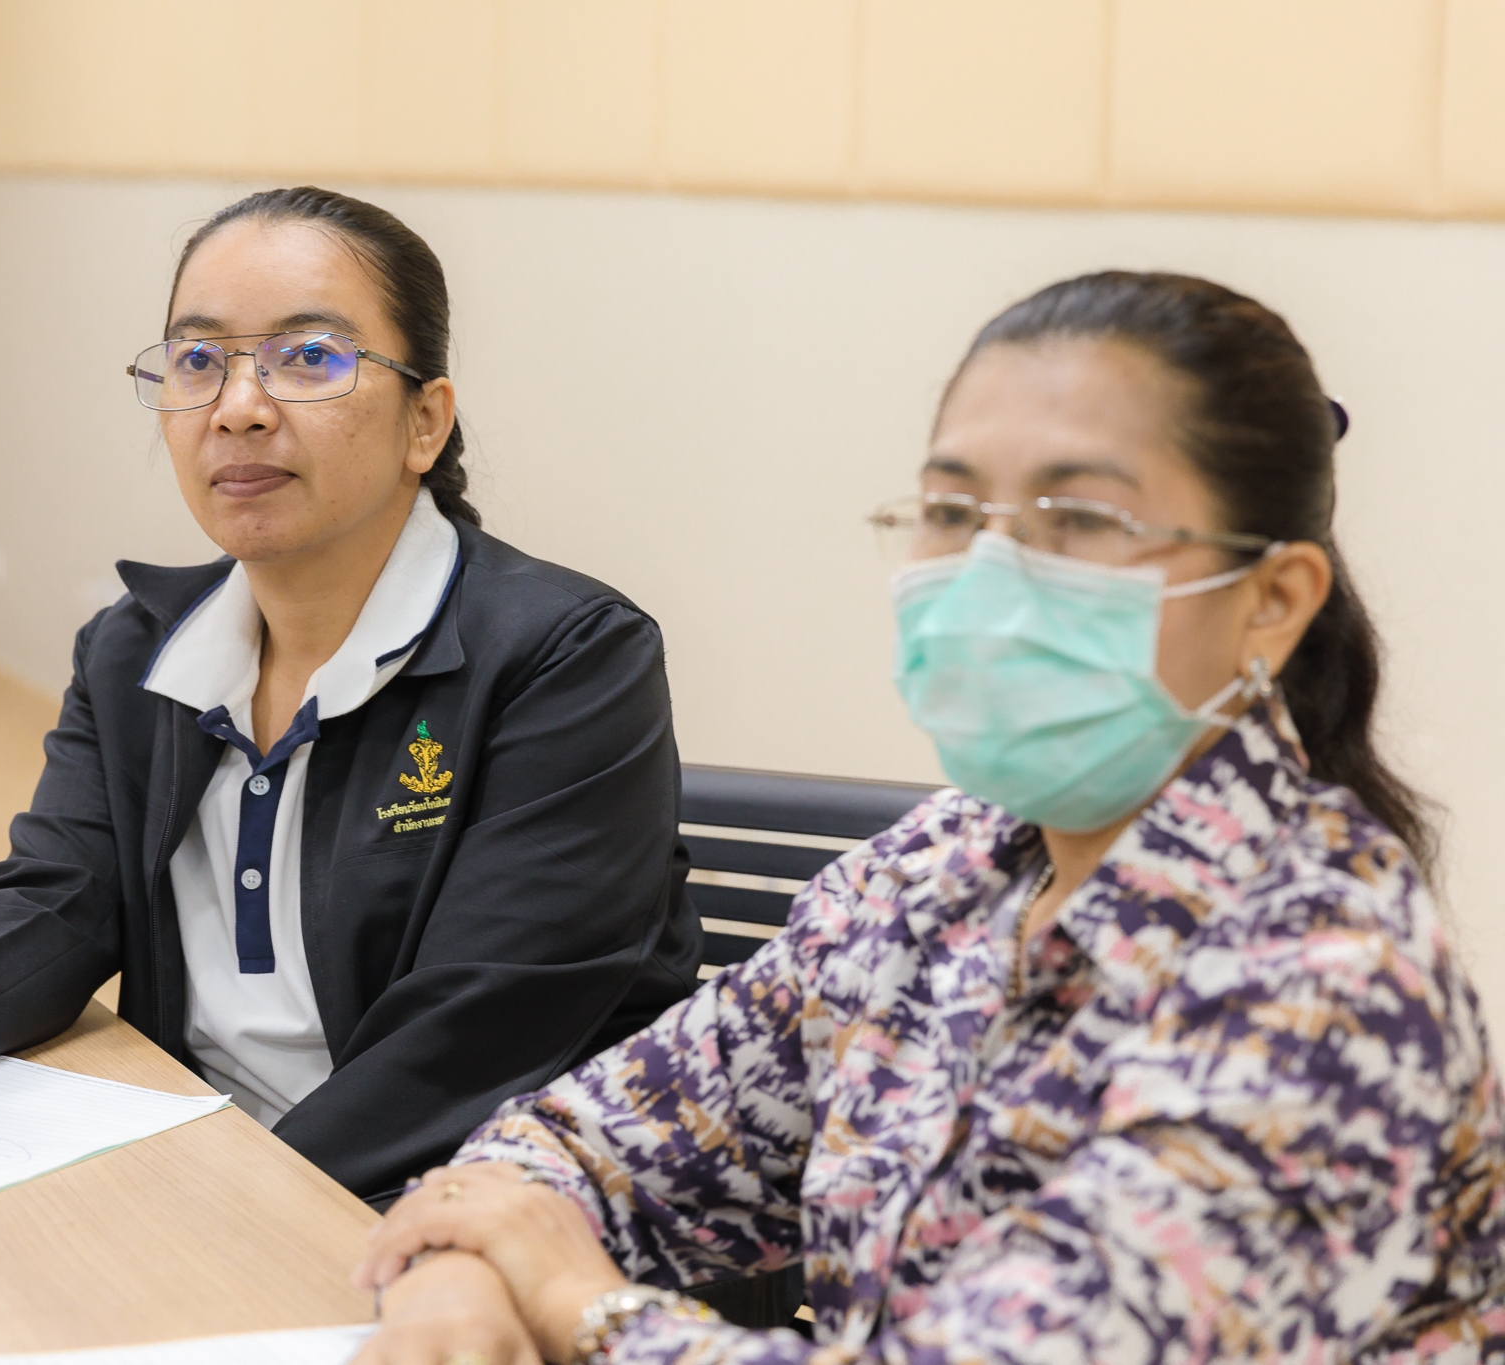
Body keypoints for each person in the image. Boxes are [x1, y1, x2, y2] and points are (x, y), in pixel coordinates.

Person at [354, 271, 1505, 1364]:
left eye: (1079, 518)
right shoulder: (937, 872)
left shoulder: (1317, 992)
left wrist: (577, 1304)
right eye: (951, 511)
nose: (988, 576)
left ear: (1270, 601)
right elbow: (574, 1143)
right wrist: (458, 1277)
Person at [0, 186, 701, 1205]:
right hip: (194, 1162)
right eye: (198, 361)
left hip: (460, 1209)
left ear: (424, 421)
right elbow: (61, 898)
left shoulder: (566, 659)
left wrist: (224, 1203)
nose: (237, 407)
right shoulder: (137, 652)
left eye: (310, 357)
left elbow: (475, 1033)